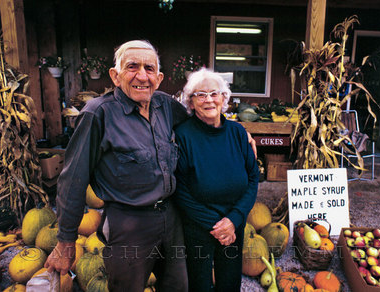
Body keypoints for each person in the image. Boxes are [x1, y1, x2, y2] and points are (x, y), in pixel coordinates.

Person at [44, 40, 190, 292]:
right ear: (115, 75)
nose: (142, 76)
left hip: (171, 218)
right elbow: (73, 179)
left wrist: (241, 136)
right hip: (128, 223)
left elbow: (202, 125)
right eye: (132, 67)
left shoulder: (165, 105)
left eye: (149, 68)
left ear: (160, 77)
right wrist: (66, 240)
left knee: (178, 286)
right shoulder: (97, 113)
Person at [173, 68, 259, 291]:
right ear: (191, 103)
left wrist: (234, 219)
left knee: (230, 282)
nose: (208, 99)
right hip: (198, 226)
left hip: (234, 223)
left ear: (224, 98)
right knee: (199, 284)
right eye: (200, 95)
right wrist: (217, 225)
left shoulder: (238, 133)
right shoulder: (182, 135)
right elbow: (179, 188)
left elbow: (252, 178)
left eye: (214, 93)